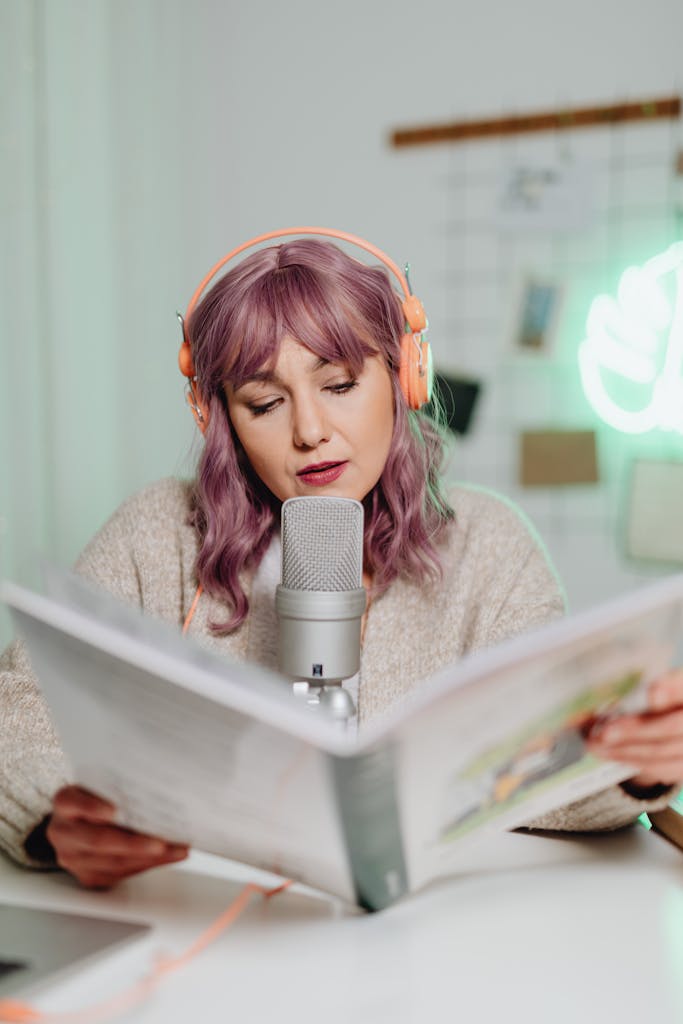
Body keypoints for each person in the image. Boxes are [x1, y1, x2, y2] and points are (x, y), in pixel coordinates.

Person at [1, 228, 682, 891]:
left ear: (404, 377)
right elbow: (19, 715)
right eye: (264, 403)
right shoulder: (158, 534)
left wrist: (633, 764)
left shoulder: (489, 546)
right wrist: (55, 819)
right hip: (206, 922)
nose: (309, 431)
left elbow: (544, 768)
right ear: (221, 419)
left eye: (339, 386)